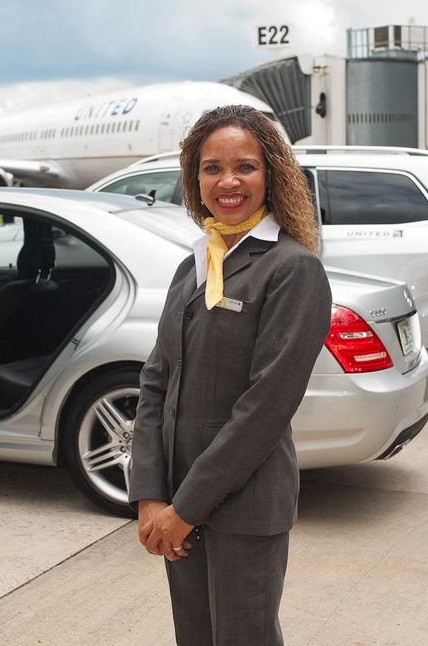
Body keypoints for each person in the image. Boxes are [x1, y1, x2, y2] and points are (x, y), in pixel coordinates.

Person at [129, 105, 332, 645]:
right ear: (195, 180)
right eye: (211, 168)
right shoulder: (194, 264)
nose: (228, 181)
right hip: (175, 500)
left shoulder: (292, 269)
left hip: (242, 505)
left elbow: (265, 406)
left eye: (245, 166)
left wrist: (185, 508)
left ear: (272, 174)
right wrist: (151, 495)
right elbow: (156, 381)